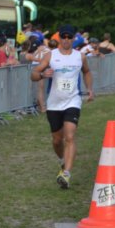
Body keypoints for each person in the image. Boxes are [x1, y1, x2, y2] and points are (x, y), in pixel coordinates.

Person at [31, 24, 94, 189]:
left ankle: (66, 174)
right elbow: (33, 74)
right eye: (63, 37)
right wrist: (42, 74)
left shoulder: (80, 57)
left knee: (70, 136)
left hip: (73, 101)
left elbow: (87, 72)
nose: (66, 40)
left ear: (74, 39)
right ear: (59, 38)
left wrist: (90, 89)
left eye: (69, 37)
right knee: (57, 140)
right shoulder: (51, 55)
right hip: (54, 103)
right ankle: (62, 161)